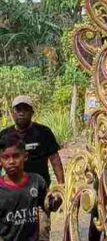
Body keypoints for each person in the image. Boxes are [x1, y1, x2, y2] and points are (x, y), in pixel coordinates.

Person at [0, 95, 63, 241]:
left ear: (32, 112)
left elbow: (55, 159)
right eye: (18, 109)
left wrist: (61, 186)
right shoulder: (4, 135)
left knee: (41, 231)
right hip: (12, 195)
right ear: (13, 112)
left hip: (38, 194)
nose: (21, 112)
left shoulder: (43, 133)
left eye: (25, 109)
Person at [0, 134, 52, 241]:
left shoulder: (37, 181)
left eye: (16, 156)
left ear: (25, 156)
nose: (11, 162)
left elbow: (48, 206)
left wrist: (55, 201)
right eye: (6, 157)